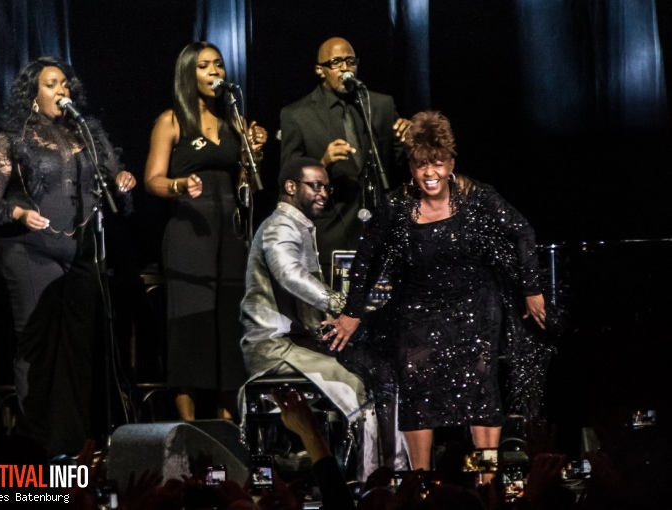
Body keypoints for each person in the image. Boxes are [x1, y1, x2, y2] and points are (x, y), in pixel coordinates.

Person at [328, 110, 549, 472]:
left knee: (481, 389)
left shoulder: (476, 196)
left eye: (438, 163)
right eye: (420, 165)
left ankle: (486, 480)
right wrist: (352, 313)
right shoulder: (397, 205)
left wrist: (532, 289)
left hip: (475, 308)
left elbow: (523, 231)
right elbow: (367, 257)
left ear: (451, 162)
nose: (430, 173)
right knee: (416, 388)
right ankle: (421, 482)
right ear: (411, 167)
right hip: (418, 310)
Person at [0, 56, 137, 457]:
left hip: (80, 254)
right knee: (37, 347)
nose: (62, 91)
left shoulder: (86, 134)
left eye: (65, 84)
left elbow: (113, 177)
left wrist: (122, 179)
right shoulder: (12, 137)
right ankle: (37, 444)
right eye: (51, 84)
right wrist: (17, 212)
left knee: (77, 351)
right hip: (30, 252)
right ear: (32, 94)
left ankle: (73, 446)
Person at [144, 41, 268, 421]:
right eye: (204, 66)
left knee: (227, 328)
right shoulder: (172, 120)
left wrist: (254, 153)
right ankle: (189, 425)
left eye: (218, 65)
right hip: (189, 235)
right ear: (189, 74)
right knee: (191, 327)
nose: (215, 72)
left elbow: (245, 183)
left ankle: (228, 424)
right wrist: (180, 186)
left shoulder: (235, 121)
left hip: (229, 233)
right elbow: (153, 180)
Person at [238, 157, 379, 482]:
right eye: (315, 185)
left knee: (366, 363)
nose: (324, 193)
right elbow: (289, 274)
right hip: (274, 349)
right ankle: (364, 482)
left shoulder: (298, 226)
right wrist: (342, 304)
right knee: (358, 381)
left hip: (295, 344)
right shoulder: (280, 226)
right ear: (290, 187)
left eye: (327, 187)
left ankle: (343, 473)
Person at [279, 36, 411, 284]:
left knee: (379, 314)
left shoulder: (380, 105)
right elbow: (288, 179)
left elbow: (397, 162)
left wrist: (409, 140)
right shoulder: (297, 114)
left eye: (350, 61)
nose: (345, 69)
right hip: (331, 233)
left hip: (378, 230)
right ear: (320, 70)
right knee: (336, 315)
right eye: (336, 62)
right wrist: (322, 163)